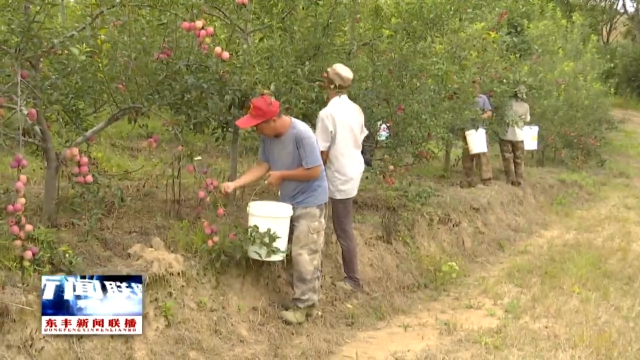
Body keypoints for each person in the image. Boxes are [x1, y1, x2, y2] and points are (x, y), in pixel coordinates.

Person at [220, 94, 328, 325]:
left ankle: (305, 307)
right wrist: (235, 184)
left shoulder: (301, 134)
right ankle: (304, 300)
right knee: (289, 252)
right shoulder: (268, 138)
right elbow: (263, 165)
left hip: (311, 201)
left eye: (257, 125)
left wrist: (283, 175)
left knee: (304, 253)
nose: (256, 130)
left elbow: (315, 171)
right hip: (288, 202)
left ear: (271, 120)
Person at [315, 63, 368, 291]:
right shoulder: (355, 109)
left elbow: (322, 152)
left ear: (328, 84)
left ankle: (353, 279)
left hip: (339, 175)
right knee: (339, 222)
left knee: (343, 225)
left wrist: (311, 177)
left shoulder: (327, 113)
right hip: (353, 170)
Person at [461, 80, 494, 188]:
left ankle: (486, 179)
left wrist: (482, 116)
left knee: (482, 154)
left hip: (480, 130)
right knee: (467, 155)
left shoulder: (482, 98)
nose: (474, 88)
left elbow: (489, 112)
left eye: (475, 86)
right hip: (468, 130)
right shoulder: (464, 99)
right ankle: (468, 179)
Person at [499, 85, 530, 186]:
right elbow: (527, 119)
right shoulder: (525, 106)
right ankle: (519, 179)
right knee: (519, 158)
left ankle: (510, 178)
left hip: (506, 134)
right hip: (519, 135)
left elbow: (502, 116)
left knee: (507, 157)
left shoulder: (507, 105)